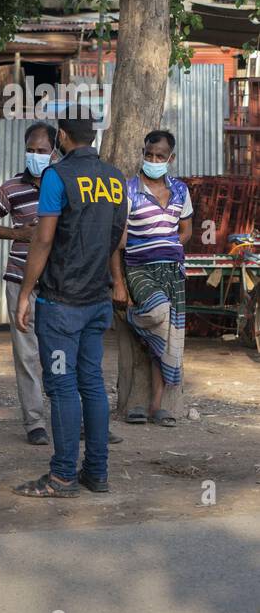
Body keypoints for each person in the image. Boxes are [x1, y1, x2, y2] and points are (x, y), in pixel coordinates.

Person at [12, 117, 127, 498]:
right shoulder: (115, 179)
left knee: (61, 388)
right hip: (97, 301)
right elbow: (118, 238)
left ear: (61, 137)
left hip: (61, 304)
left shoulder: (56, 177)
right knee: (92, 384)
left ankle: (62, 476)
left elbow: (42, 241)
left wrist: (26, 292)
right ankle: (97, 472)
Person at [0, 121, 58, 446]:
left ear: (54, 151)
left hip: (56, 283)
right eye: (31, 150)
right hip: (19, 279)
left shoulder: (64, 184)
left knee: (58, 353)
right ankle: (34, 422)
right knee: (26, 354)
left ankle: (68, 417)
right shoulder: (11, 188)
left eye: (41, 150)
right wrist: (15, 233)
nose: (35, 155)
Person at [118, 129, 193, 426]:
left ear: (170, 158)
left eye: (159, 156)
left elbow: (186, 229)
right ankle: (134, 316)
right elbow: (119, 240)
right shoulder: (129, 189)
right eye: (149, 154)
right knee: (159, 313)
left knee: (168, 340)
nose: (153, 160)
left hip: (173, 270)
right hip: (139, 268)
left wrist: (171, 244)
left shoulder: (180, 191)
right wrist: (119, 281)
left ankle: (155, 406)